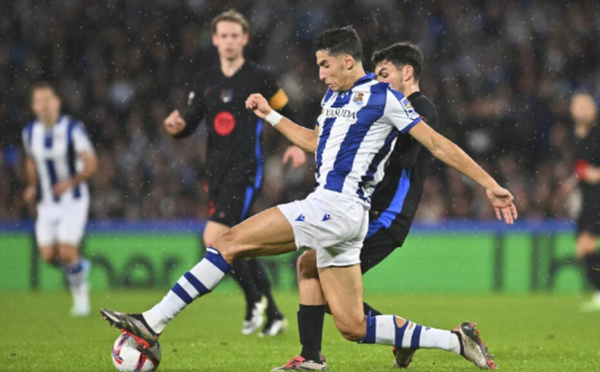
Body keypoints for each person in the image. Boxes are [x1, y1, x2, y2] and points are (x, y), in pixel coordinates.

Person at [101, 27, 516, 370]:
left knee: (226, 243)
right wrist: (270, 115)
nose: (320, 73)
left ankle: (151, 322)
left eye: (326, 64)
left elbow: (438, 144)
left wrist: (488, 183)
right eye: (318, 65)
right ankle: (456, 342)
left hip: (335, 206)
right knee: (353, 325)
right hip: (344, 218)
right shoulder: (333, 99)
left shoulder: (383, 96)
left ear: (348, 61)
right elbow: (317, 141)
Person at [273, 42, 440, 371]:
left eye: (384, 73)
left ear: (407, 72)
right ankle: (314, 355)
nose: (377, 80)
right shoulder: (380, 104)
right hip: (365, 210)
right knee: (313, 271)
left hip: (387, 215)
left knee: (320, 278)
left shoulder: (420, 107)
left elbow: (406, 156)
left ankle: (315, 356)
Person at [163, 9, 305, 336]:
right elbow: (190, 122)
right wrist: (177, 128)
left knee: (215, 237)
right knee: (234, 241)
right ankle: (270, 311)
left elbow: (289, 111)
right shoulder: (204, 80)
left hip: (246, 169)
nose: (228, 41)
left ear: (244, 39)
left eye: (234, 36)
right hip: (214, 172)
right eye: (223, 36)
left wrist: (295, 145)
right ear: (214, 40)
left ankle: (256, 300)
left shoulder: (261, 78)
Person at [22, 81, 98, 316]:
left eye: (48, 100)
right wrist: (32, 186)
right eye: (39, 101)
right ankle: (79, 268)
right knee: (47, 256)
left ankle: (82, 301)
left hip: (73, 200)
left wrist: (71, 182)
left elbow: (92, 164)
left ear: (57, 102)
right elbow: (31, 160)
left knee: (66, 251)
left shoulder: (73, 128)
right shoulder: (29, 132)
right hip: (48, 203)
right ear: (34, 107)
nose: (44, 105)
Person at [570, 92, 600, 312]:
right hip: (588, 197)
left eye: (585, 105)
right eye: (577, 105)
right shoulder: (576, 134)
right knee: (582, 250)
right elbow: (581, 165)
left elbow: (592, 169)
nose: (581, 109)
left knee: (586, 245)